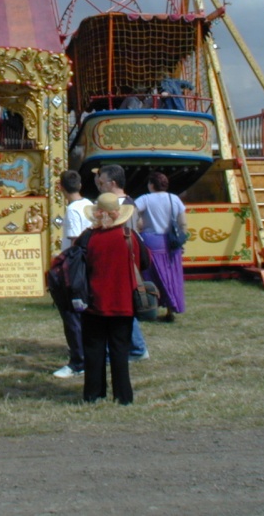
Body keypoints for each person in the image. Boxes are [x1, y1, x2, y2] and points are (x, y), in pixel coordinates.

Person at [78, 193, 150, 405]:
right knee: (120, 351)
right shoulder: (130, 236)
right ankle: (123, 396)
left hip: (94, 302)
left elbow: (77, 266)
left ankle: (93, 394)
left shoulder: (88, 238)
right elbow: (145, 262)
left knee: (94, 351)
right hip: (124, 302)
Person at [95, 165, 149, 361]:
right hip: (126, 260)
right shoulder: (131, 203)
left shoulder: (117, 206)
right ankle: (134, 346)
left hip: (121, 261)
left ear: (113, 183)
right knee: (123, 306)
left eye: (102, 182)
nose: (99, 186)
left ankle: (134, 347)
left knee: (120, 307)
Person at [51, 170, 91, 379]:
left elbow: (75, 242)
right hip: (88, 266)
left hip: (75, 268)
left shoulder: (74, 210)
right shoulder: (90, 205)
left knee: (72, 315)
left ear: (61, 188)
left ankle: (78, 361)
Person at [134, 171, 188, 322]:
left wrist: (139, 225)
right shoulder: (174, 198)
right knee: (171, 276)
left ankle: (151, 306)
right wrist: (180, 240)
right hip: (170, 242)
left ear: (151, 185)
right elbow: (183, 222)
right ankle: (171, 309)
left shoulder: (145, 199)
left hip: (151, 240)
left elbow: (133, 212)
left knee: (151, 276)